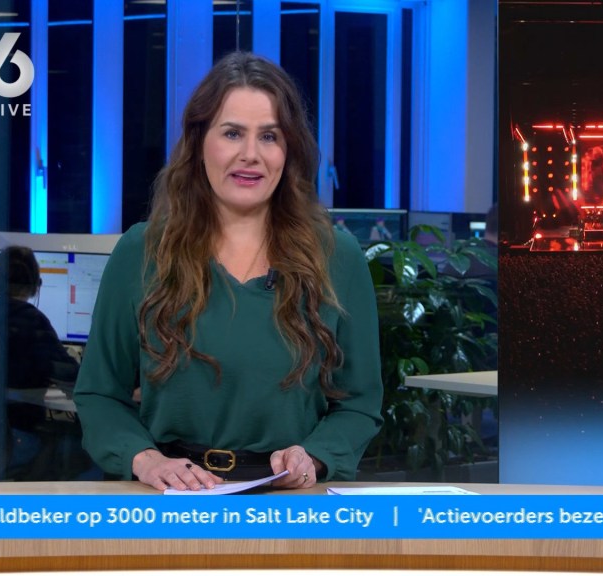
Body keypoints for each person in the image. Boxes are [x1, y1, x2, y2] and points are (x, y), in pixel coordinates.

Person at [73, 52, 383, 491]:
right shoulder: (142, 252)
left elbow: (359, 404)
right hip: (171, 496)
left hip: (290, 501)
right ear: (200, 142)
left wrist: (313, 456)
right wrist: (147, 461)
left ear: (289, 150)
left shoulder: (338, 257)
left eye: (269, 136)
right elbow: (99, 394)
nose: (250, 155)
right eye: (233, 133)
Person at [0, 246, 79, 433]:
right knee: (72, 436)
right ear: (36, 284)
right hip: (17, 434)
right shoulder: (32, 321)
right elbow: (69, 375)